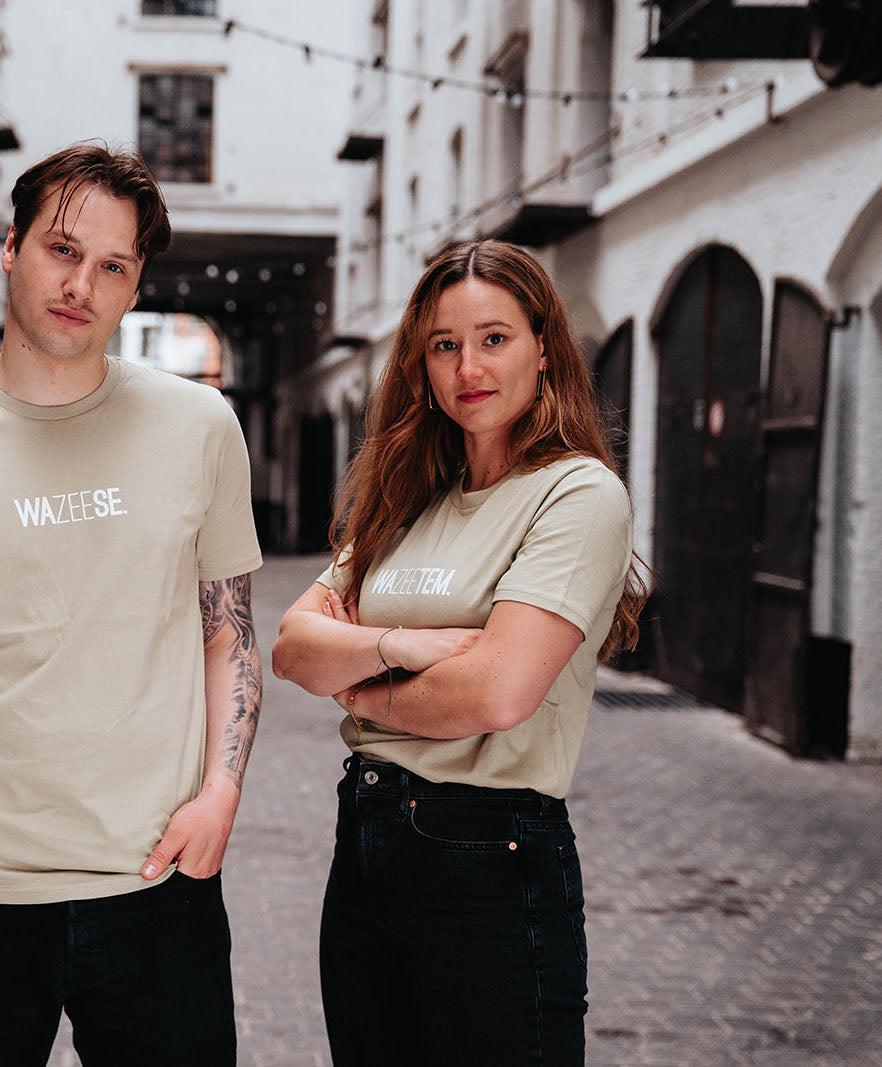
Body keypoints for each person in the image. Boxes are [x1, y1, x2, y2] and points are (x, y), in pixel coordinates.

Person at [0, 143, 263, 1067]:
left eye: (113, 265)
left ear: (137, 283)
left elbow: (227, 633)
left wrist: (222, 790)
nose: (82, 283)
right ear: (10, 248)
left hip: (158, 883)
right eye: (62, 249)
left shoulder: (200, 428)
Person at [271, 239, 648, 1065]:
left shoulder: (577, 494)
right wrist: (400, 643)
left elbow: (496, 693)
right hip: (367, 840)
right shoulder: (410, 502)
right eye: (444, 345)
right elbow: (295, 648)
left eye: (494, 338)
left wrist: (366, 689)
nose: (467, 366)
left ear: (544, 347)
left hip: (489, 855)